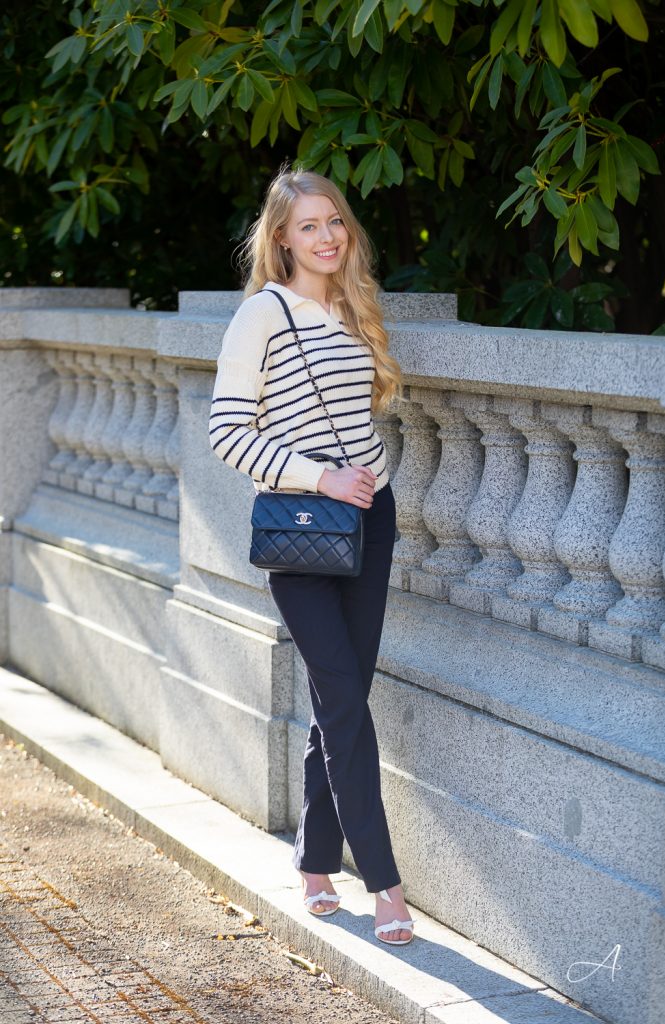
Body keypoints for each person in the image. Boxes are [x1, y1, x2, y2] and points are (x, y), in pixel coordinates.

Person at [209, 164, 415, 947]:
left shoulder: (356, 307)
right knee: (341, 698)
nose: (326, 236)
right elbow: (227, 432)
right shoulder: (263, 315)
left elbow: (359, 424)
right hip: (301, 524)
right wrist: (320, 474)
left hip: (371, 520)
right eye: (308, 226)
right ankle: (385, 883)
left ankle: (315, 860)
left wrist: (368, 477)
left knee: (342, 696)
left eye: (334, 222)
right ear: (280, 237)